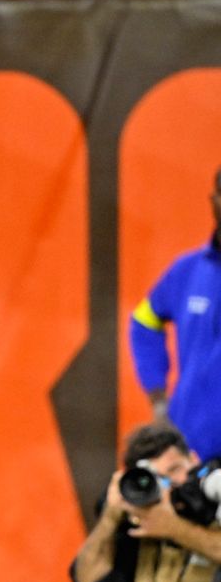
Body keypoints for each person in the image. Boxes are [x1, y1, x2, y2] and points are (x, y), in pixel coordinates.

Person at [70, 424, 221, 582]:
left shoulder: (214, 503)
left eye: (175, 470)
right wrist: (111, 516)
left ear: (193, 459)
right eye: (157, 478)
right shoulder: (142, 524)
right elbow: (86, 581)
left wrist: (174, 528)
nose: (170, 486)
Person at [130, 166, 221, 462]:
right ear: (213, 200)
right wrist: (158, 398)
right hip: (193, 449)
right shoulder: (187, 271)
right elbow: (144, 322)